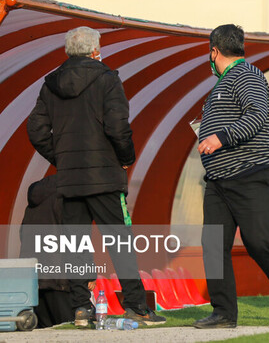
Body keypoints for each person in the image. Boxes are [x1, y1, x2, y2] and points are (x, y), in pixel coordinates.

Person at [26, 26, 165, 327]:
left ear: (68, 52)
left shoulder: (50, 84)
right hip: (104, 176)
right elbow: (118, 126)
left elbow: (35, 130)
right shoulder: (107, 79)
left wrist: (62, 158)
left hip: (70, 180)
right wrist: (126, 158)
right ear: (95, 51)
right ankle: (137, 306)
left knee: (75, 243)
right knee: (120, 241)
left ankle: (80, 309)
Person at [195, 24, 269, 329]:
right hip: (218, 180)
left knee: (259, 242)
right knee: (214, 244)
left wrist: (220, 137)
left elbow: (257, 115)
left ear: (214, 51)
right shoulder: (225, 81)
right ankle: (224, 312)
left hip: (251, 175)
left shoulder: (248, 75)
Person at [20, 175, 74, 328]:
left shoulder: (32, 205)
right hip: (59, 278)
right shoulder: (66, 199)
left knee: (43, 331)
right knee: (70, 329)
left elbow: (22, 233)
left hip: (34, 280)